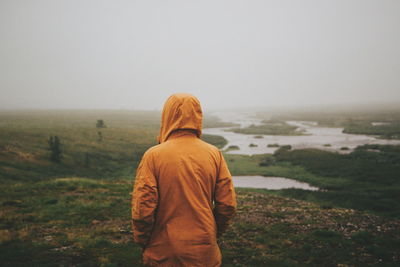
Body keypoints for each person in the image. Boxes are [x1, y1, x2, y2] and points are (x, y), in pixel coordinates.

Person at [131, 93, 237, 267]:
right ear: (197, 116)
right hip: (204, 252)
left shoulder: (153, 156)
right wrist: (212, 233)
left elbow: (143, 208)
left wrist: (143, 240)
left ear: (167, 116)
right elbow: (227, 205)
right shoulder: (214, 154)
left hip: (163, 252)